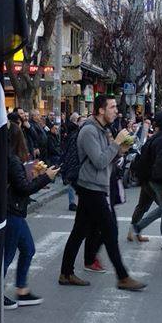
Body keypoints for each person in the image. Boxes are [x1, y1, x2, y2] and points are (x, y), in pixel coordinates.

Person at [59, 95, 146, 291]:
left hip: (97, 185)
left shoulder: (102, 129)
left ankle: (66, 273)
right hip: (90, 187)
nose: (116, 110)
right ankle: (122, 277)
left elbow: (106, 160)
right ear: (101, 110)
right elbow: (99, 161)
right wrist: (116, 143)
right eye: (112, 107)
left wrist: (119, 149)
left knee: (79, 231)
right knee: (110, 230)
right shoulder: (89, 131)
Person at [5, 122, 58, 305]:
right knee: (7, 256)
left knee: (28, 248)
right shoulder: (12, 159)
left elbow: (20, 183)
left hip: (16, 210)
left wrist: (34, 174)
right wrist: (45, 178)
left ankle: (22, 289)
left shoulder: (11, 159)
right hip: (12, 210)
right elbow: (23, 188)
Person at [128, 110, 162, 249]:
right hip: (155, 181)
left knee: (142, 206)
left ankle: (134, 230)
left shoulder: (153, 138)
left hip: (146, 179)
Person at [60, 112, 80, 211]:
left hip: (71, 158)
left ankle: (73, 202)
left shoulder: (72, 130)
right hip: (73, 159)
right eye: (78, 119)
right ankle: (73, 202)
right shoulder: (74, 131)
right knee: (73, 181)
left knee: (73, 181)